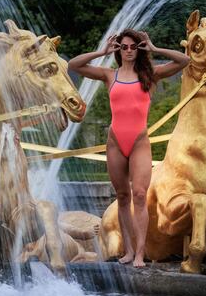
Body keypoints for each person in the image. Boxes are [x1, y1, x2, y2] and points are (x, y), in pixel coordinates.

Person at [68, 29, 189, 267]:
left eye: (134, 47)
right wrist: (102, 52)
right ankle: (129, 250)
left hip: (139, 143)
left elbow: (184, 61)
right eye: (124, 47)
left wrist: (154, 48)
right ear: (119, 50)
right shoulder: (109, 75)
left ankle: (141, 254)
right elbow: (73, 64)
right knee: (122, 196)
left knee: (140, 195)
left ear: (139, 49)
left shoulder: (150, 75)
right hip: (115, 142)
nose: (130, 51)